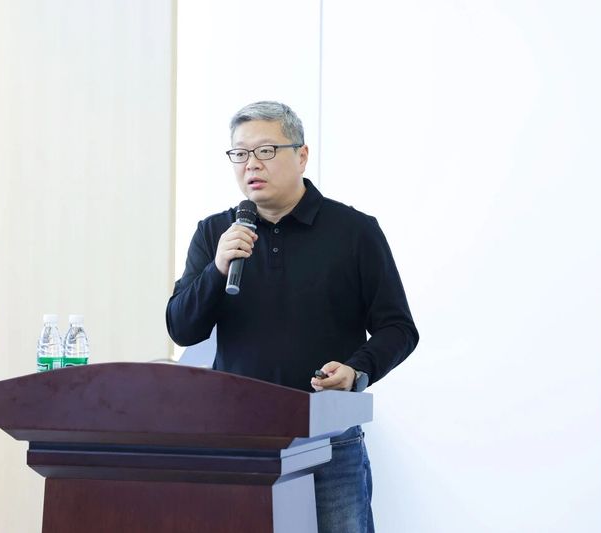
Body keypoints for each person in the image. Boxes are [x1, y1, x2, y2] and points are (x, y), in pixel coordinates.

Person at [166, 101, 418, 533]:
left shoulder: (354, 231)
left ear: (301, 155)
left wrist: (357, 370)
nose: (251, 164)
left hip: (330, 439)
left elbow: (398, 327)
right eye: (240, 153)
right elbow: (182, 327)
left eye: (265, 150)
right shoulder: (215, 233)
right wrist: (217, 270)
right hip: (240, 440)